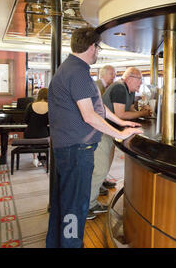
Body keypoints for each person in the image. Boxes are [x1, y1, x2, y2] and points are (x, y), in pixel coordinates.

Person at [46, 27, 142, 248]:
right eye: (98, 47)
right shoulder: (78, 72)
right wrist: (119, 134)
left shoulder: (70, 68)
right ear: (92, 47)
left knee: (63, 204)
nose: (98, 51)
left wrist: (122, 122)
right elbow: (89, 116)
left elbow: (97, 107)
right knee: (74, 208)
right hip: (77, 150)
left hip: (68, 148)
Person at [88, 67, 152, 219]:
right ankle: (87, 206)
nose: (141, 83)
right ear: (130, 78)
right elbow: (121, 114)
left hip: (109, 131)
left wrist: (139, 111)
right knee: (100, 169)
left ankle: (91, 200)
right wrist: (142, 113)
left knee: (104, 167)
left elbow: (129, 109)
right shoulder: (119, 88)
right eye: (140, 79)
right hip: (102, 131)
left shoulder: (128, 90)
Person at [94, 65, 117, 194]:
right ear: (103, 74)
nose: (114, 76)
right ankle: (98, 184)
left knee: (108, 154)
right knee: (100, 159)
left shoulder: (109, 87)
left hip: (108, 126)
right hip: (99, 128)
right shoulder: (96, 85)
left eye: (114, 74)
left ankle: (103, 179)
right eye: (111, 74)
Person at [23, 88, 49, 167]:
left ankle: (35, 158)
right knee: (52, 136)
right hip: (43, 135)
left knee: (34, 135)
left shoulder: (30, 105)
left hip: (29, 134)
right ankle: (47, 157)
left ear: (39, 95)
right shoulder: (51, 106)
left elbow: (26, 120)